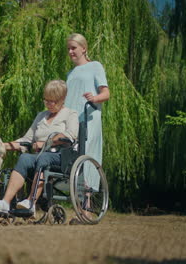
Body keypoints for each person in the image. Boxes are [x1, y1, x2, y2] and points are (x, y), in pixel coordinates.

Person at [0, 80, 78, 214]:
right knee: (24, 158)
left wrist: (47, 142)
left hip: (61, 156)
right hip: (40, 156)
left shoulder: (71, 114)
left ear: (62, 99)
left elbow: (70, 135)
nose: (48, 104)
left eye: (52, 101)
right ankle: (5, 203)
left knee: (44, 158)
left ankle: (30, 202)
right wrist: (3, 146)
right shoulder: (41, 116)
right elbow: (27, 139)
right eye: (46, 100)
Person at [65, 33, 110, 223]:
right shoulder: (70, 73)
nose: (70, 52)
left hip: (89, 118)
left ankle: (87, 211)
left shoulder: (95, 66)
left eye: (74, 48)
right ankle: (75, 206)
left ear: (84, 48)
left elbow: (106, 93)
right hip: (71, 121)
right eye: (68, 48)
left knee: (86, 159)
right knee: (71, 160)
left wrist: (94, 98)